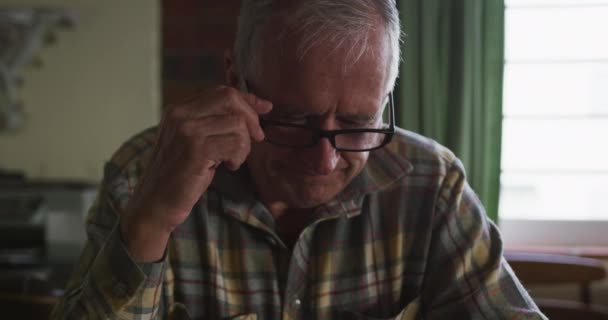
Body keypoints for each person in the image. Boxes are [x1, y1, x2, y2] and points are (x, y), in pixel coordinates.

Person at [51, 0, 547, 319]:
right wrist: (152, 221)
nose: (325, 162)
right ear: (234, 79)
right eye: (291, 120)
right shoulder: (143, 174)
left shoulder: (430, 183)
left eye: (356, 123)